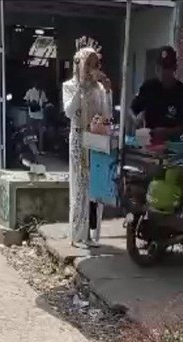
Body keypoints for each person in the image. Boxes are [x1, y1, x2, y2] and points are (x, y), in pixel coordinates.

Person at [62, 44, 112, 249]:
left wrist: (107, 92)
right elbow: (69, 111)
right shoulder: (69, 86)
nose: (92, 68)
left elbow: (107, 115)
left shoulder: (98, 89)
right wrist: (80, 88)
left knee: (95, 187)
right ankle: (77, 235)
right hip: (78, 140)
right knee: (80, 187)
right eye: (88, 64)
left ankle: (92, 234)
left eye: (95, 64)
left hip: (95, 139)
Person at [130, 46, 183, 143]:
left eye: (167, 68)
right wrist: (136, 119)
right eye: (160, 67)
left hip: (172, 146)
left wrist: (166, 132)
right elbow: (131, 109)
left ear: (174, 68)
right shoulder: (148, 87)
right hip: (148, 143)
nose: (162, 72)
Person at [24, 80, 48, 153]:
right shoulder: (33, 92)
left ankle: (36, 150)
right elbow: (45, 103)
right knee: (37, 133)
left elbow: (25, 101)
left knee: (34, 133)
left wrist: (31, 104)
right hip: (37, 116)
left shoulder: (33, 92)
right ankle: (37, 150)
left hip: (35, 115)